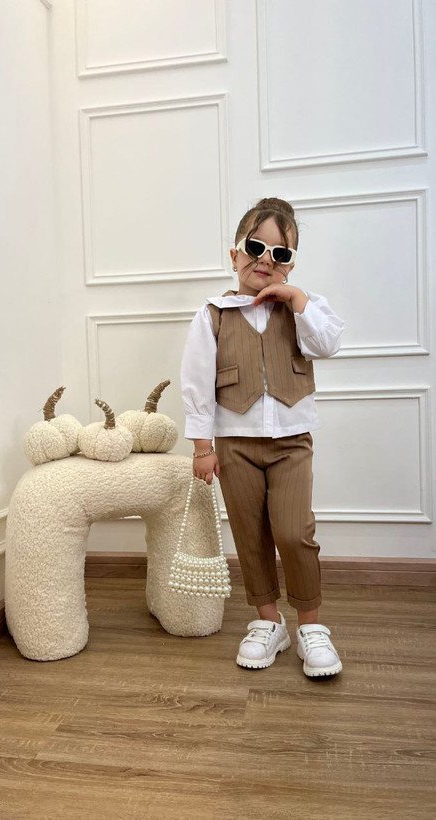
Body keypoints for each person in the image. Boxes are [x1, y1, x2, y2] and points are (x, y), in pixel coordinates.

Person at [180, 197, 345, 677]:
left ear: (290, 265)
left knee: (294, 533)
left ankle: (311, 627)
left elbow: (328, 343)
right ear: (235, 255)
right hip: (235, 444)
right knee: (250, 535)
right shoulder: (212, 315)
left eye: (280, 254)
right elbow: (196, 383)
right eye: (255, 248)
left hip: (291, 442)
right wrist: (203, 448)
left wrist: (297, 300)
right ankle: (268, 621)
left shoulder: (303, 309)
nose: (265, 260)